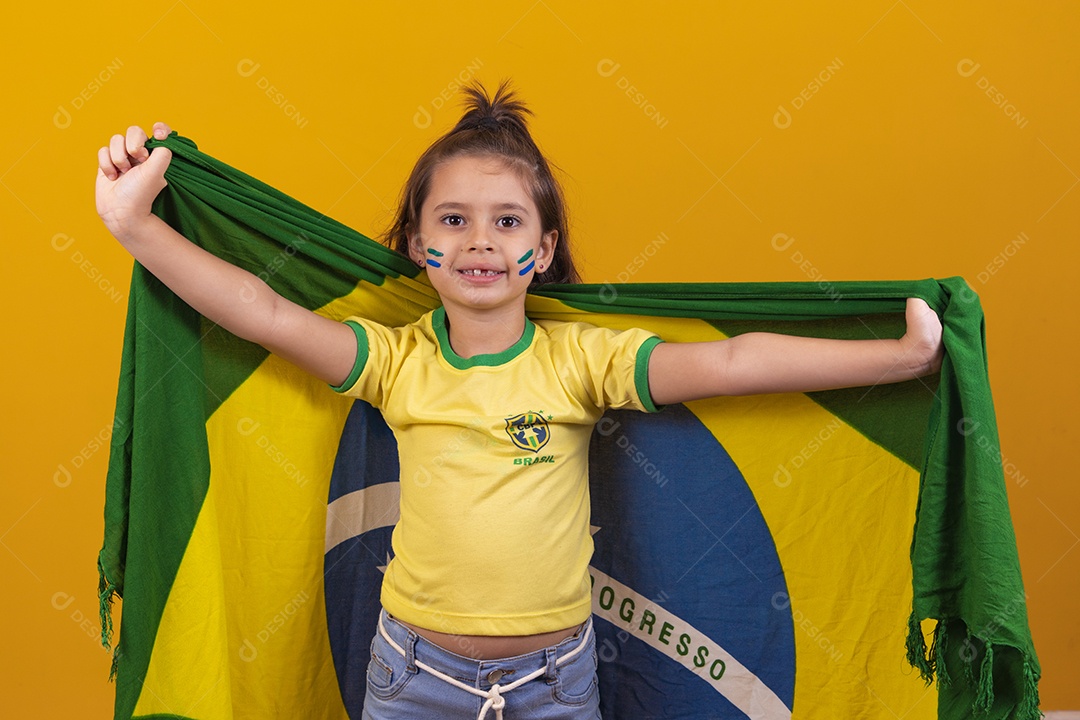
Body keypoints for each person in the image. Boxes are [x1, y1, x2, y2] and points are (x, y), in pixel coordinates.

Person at [96, 81, 943, 720]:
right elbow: (264, 310)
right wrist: (138, 227)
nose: (479, 241)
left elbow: (731, 361)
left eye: (507, 223)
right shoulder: (395, 362)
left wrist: (899, 357)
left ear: (544, 249)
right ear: (419, 245)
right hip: (409, 674)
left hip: (556, 683)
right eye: (454, 220)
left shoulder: (583, 361)